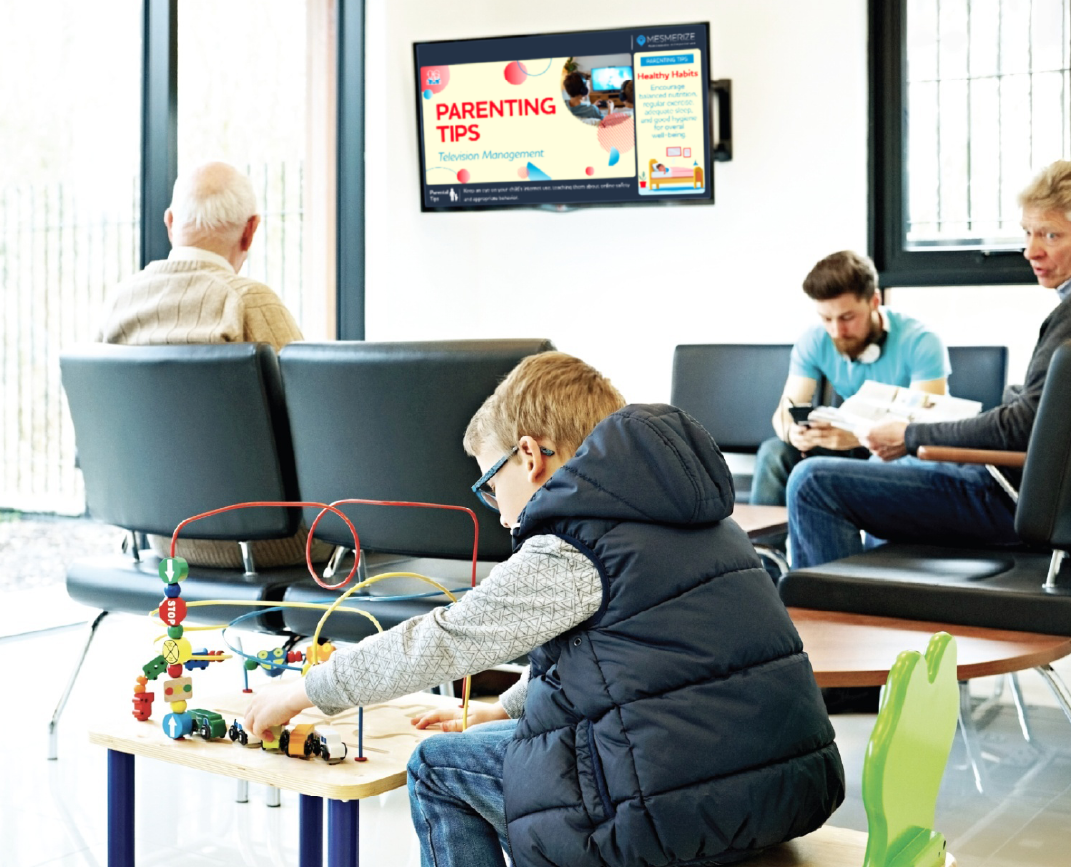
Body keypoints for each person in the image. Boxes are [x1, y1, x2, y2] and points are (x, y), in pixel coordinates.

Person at [242, 352, 844, 867]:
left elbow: (444, 638)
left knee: (435, 767)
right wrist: (499, 710)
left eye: (489, 485)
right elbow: (622, 666)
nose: (499, 513)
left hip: (673, 812)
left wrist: (302, 692)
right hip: (778, 793)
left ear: (529, 457)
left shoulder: (575, 543)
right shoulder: (704, 521)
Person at [786, 159, 1071, 570]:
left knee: (812, 482)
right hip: (1066, 502)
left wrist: (909, 433)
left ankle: (839, 621)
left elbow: (1023, 428)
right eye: (1028, 233)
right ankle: (877, 600)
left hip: (1020, 505)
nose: (1031, 251)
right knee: (901, 462)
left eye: (1050, 235)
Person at [97, 160, 309, 568]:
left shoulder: (120, 304)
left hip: (163, 542)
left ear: (171, 222)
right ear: (250, 230)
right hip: (272, 546)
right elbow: (315, 434)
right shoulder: (249, 302)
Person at [750, 250, 950, 506]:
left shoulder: (921, 341)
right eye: (826, 319)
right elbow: (784, 412)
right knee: (774, 453)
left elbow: (923, 427)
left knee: (884, 461)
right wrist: (793, 433)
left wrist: (857, 436)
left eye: (847, 318)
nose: (837, 330)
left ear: (874, 301)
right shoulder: (814, 340)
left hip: (903, 447)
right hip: (848, 441)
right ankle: (764, 548)